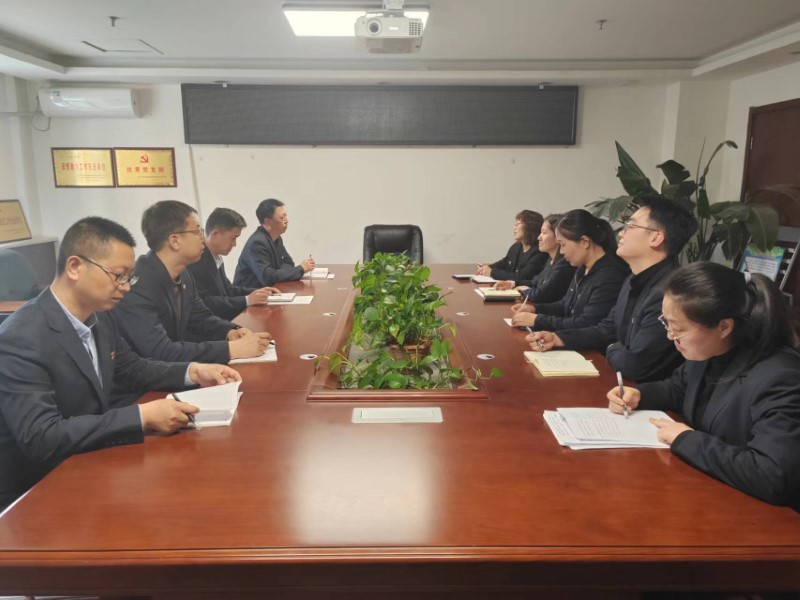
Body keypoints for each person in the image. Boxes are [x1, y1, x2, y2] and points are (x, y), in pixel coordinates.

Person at [0, 217, 242, 511]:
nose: (125, 287)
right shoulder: (21, 337)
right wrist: (141, 416)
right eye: (118, 276)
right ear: (75, 267)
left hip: (86, 462)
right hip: (35, 492)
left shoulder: (100, 316)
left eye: (130, 278)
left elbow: (132, 369)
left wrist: (194, 371)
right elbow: (42, 437)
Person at [607, 262, 800, 511]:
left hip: (754, 515)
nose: (670, 336)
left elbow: (771, 475)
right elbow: (679, 388)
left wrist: (686, 439)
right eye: (666, 323)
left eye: (678, 328)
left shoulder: (781, 378)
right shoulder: (710, 350)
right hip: (704, 490)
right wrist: (639, 395)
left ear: (724, 326)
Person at [527, 196, 697, 382]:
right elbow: (607, 329)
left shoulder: (670, 293)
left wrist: (610, 347)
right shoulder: (632, 279)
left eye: (630, 226)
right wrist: (558, 338)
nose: (621, 233)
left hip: (639, 393)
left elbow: (633, 364)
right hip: (619, 384)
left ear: (656, 238)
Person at [113, 200, 271, 363]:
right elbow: (160, 351)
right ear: (175, 241)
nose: (203, 238)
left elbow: (201, 317)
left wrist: (231, 331)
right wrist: (230, 350)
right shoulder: (138, 285)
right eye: (197, 232)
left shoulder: (184, 275)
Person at [510, 209, 628, 331]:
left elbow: (586, 324)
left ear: (584, 242)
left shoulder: (610, 276)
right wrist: (535, 309)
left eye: (563, 245)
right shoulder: (582, 268)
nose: (561, 251)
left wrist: (537, 320)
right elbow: (565, 305)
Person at [187, 208, 280, 320]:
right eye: (233, 238)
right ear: (215, 234)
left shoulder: (215, 257)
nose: (234, 244)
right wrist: (247, 300)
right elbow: (206, 302)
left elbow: (228, 290)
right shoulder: (197, 260)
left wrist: (258, 292)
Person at [494, 213, 575, 304]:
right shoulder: (551, 260)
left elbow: (540, 294)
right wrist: (512, 284)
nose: (539, 237)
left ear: (557, 236)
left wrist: (524, 290)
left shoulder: (564, 263)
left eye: (544, 233)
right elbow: (534, 282)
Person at [233, 198, 315, 287]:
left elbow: (289, 263)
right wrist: (300, 269)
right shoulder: (257, 243)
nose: (286, 221)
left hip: (269, 290)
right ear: (267, 222)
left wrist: (278, 273)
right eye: (282, 217)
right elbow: (268, 277)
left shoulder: (276, 238)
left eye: (286, 216)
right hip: (250, 293)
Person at [476, 210, 548, 281]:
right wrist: (487, 268)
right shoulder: (516, 247)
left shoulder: (539, 252)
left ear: (530, 227)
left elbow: (521, 277)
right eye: (514, 225)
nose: (514, 228)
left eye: (518, 224)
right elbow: (504, 263)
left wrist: (491, 272)